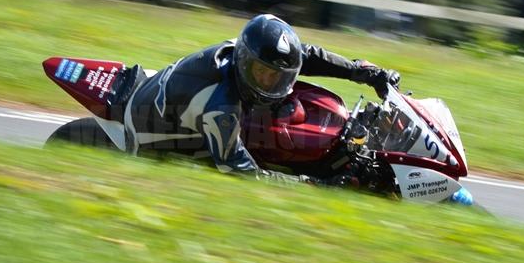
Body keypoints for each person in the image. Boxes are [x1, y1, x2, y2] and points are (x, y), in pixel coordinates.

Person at [119, 14, 400, 182]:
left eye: (276, 75)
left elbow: (307, 56)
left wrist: (364, 73)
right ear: (244, 61)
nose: (269, 81)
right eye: (262, 73)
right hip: (153, 137)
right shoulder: (221, 106)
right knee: (272, 152)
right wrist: (310, 183)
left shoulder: (248, 51)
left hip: (168, 95)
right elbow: (240, 171)